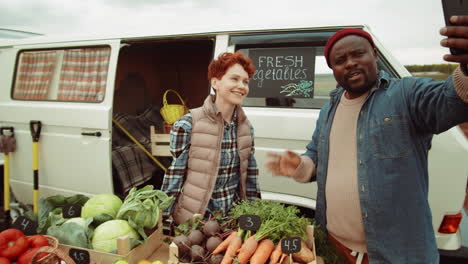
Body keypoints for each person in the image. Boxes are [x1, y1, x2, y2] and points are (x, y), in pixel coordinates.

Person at [265, 17, 468, 264]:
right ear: (333, 69)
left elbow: (450, 101)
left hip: (395, 255)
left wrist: (466, 70)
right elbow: (316, 157)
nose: (350, 63)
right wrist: (299, 166)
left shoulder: (405, 95)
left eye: (358, 54)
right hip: (335, 247)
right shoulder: (329, 110)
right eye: (340, 61)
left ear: (373, 54)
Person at [161, 52, 260, 224]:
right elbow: (175, 176)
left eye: (245, 82)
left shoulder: (246, 128)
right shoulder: (188, 124)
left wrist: (254, 216)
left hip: (231, 222)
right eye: (234, 79)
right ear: (215, 82)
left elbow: (249, 177)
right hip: (194, 222)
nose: (242, 86)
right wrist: (161, 218)